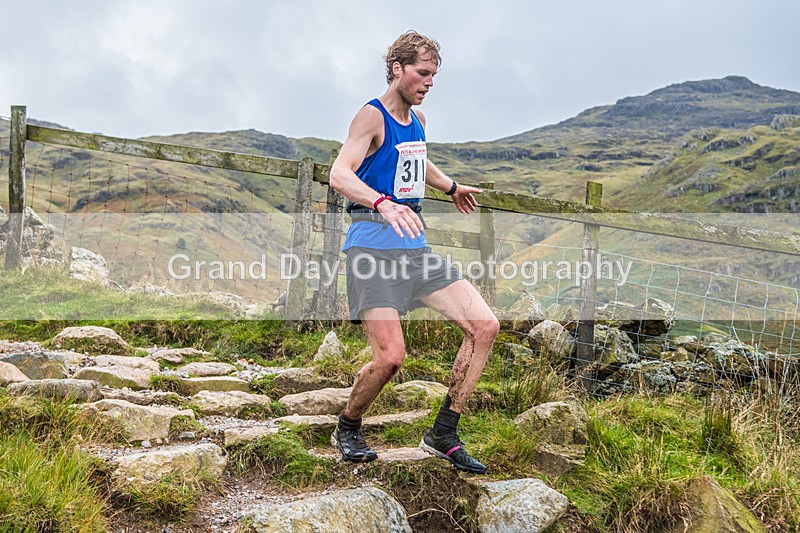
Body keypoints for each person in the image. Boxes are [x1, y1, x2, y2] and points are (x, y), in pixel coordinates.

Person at [328, 30, 500, 474]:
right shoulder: (371, 116)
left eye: (433, 76)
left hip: (415, 252)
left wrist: (452, 187)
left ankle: (443, 433)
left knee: (484, 326)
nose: (428, 83)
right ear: (397, 69)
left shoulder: (417, 122)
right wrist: (382, 202)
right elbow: (339, 174)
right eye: (422, 74)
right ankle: (348, 426)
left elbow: (416, 162)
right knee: (390, 359)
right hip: (370, 250)